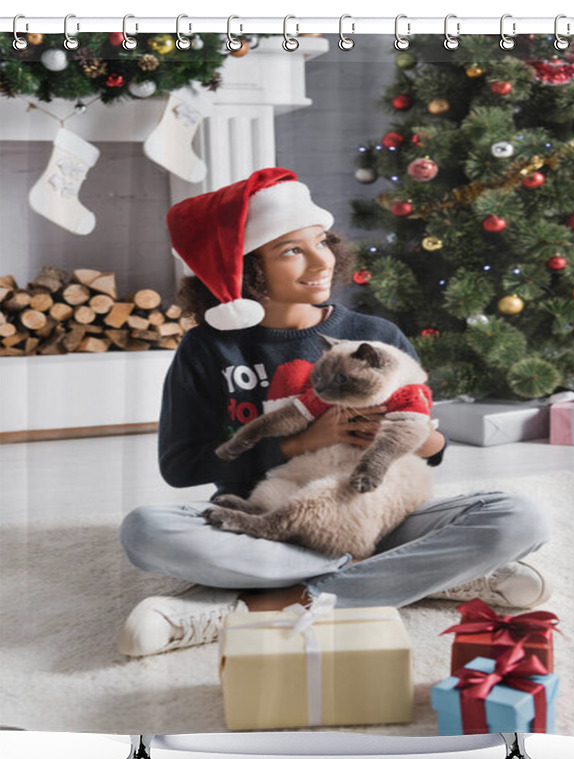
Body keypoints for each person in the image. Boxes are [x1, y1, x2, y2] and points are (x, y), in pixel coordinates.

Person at [117, 168, 551, 657]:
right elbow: (180, 467)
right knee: (145, 531)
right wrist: (299, 444)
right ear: (246, 268)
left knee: (520, 517)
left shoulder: (374, 334)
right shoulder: (207, 349)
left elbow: (432, 450)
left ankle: (254, 603)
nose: (321, 260)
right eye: (291, 250)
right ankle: (419, 576)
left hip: (378, 517)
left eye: (321, 241)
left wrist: (422, 440)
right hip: (263, 519)